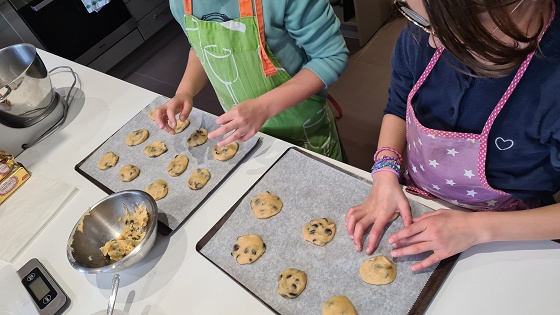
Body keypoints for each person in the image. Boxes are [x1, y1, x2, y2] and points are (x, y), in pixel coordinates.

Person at [346, 0, 560, 271]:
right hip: (419, 195)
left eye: (454, 28)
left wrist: (478, 229)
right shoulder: (420, 36)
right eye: (422, 20)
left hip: (510, 231)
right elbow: (399, 106)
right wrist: (385, 171)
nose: (434, 41)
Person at [153, 0, 349, 161]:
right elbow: (201, 49)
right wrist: (185, 92)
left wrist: (262, 108)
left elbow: (331, 56)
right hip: (243, 132)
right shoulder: (181, 4)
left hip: (304, 129)